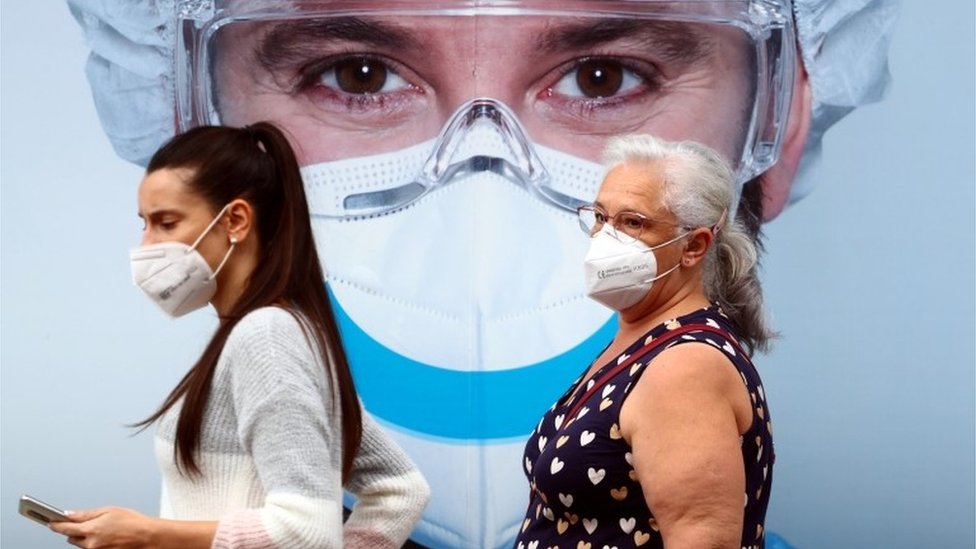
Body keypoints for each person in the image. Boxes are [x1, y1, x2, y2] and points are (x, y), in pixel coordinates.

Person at [65, 1, 899, 547]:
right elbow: (386, 491)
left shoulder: (680, 367)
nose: (481, 191)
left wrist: (151, 534)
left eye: (604, 76)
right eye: (355, 73)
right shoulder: (622, 358)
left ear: (783, 120)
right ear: (186, 117)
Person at [49, 122, 430, 549]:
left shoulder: (265, 338)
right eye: (144, 224)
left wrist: (148, 534)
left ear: (235, 220)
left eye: (166, 223)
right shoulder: (281, 331)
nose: (146, 245)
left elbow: (306, 531)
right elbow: (398, 488)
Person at [516, 133, 774, 549]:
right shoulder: (641, 342)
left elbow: (702, 539)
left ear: (693, 246)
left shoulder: (685, 367)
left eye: (633, 222)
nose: (605, 237)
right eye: (600, 217)